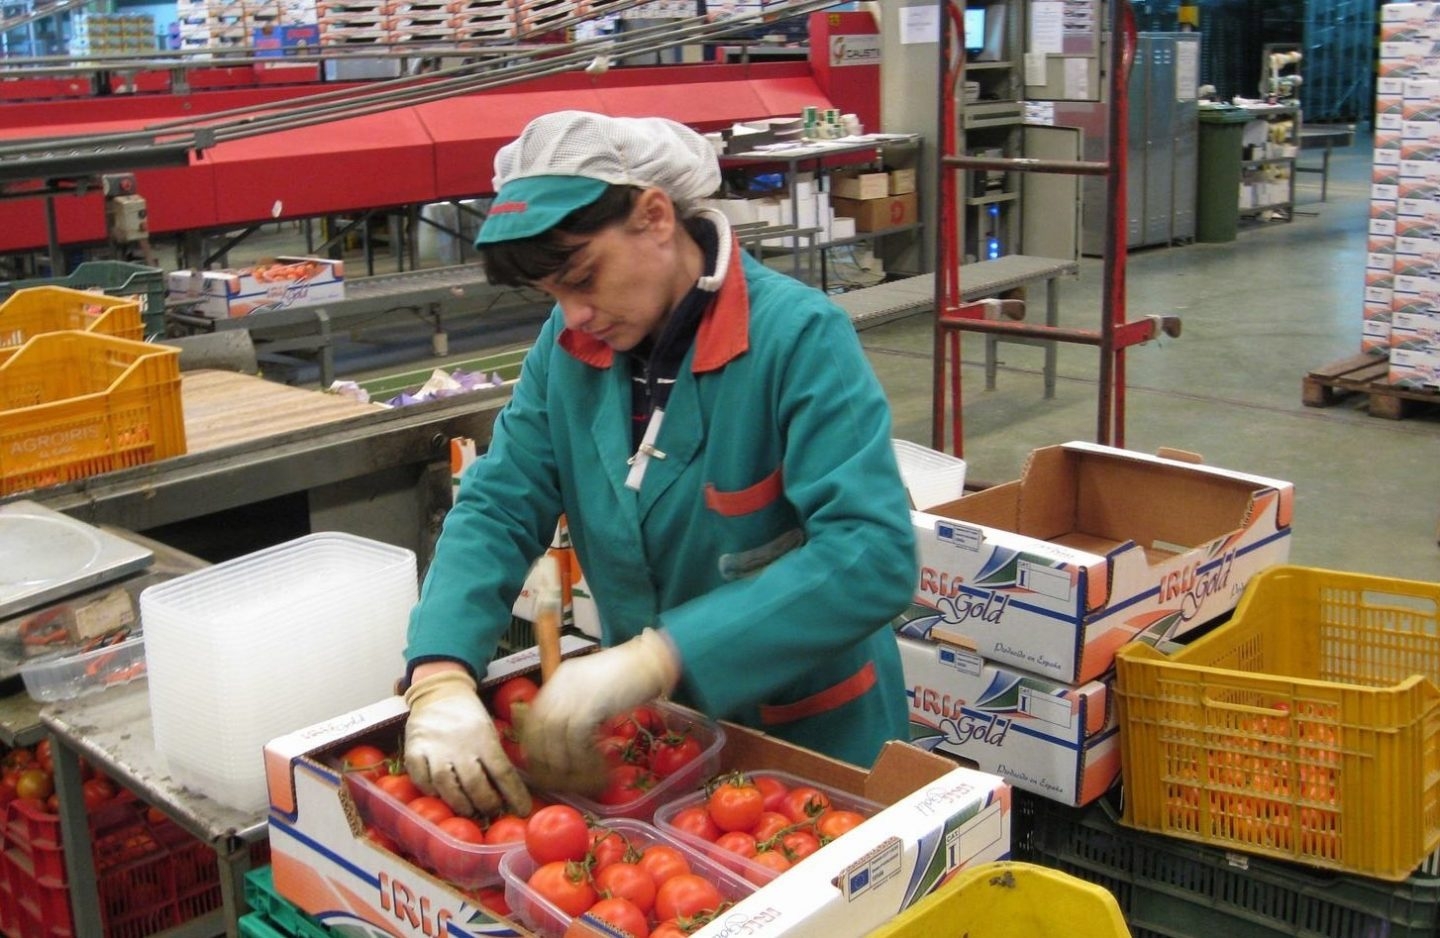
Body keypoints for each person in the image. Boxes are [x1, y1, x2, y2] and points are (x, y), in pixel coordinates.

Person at [401, 109, 917, 818]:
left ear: (654, 216)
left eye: (584, 277)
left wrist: (660, 657)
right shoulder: (571, 347)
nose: (574, 314)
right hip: (653, 751)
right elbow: (500, 500)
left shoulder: (797, 337)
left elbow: (872, 553)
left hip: (802, 749)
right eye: (552, 293)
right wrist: (439, 669)